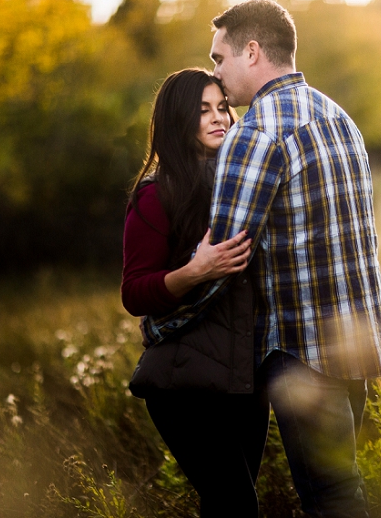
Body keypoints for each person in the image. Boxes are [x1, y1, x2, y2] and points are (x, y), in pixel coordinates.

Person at [143, 0, 381, 517]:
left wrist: (162, 326)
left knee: (330, 496)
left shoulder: (255, 132)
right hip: (357, 339)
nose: (215, 71)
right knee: (345, 486)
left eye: (219, 58)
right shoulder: (337, 116)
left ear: (251, 51)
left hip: (304, 352)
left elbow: (223, 259)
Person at [121, 68, 270, 517]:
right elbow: (134, 292)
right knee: (238, 509)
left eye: (222, 107)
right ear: (176, 120)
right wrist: (195, 271)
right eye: (202, 110)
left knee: (226, 508)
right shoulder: (156, 195)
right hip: (183, 385)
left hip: (244, 380)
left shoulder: (244, 185)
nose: (218, 117)